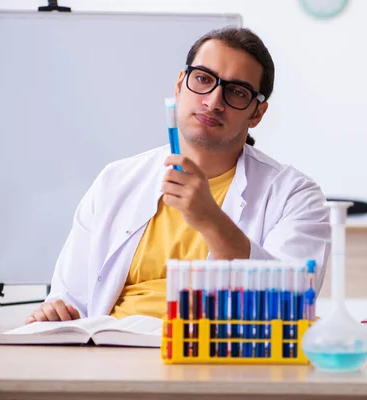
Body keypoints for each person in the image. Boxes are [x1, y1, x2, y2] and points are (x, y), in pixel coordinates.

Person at [26, 27, 330, 324]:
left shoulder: (295, 195)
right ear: (179, 85)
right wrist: (54, 315)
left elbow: (290, 306)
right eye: (203, 79)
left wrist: (211, 220)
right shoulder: (115, 181)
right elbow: (70, 300)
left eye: (237, 92)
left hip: (217, 362)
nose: (213, 101)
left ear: (257, 114)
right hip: (112, 354)